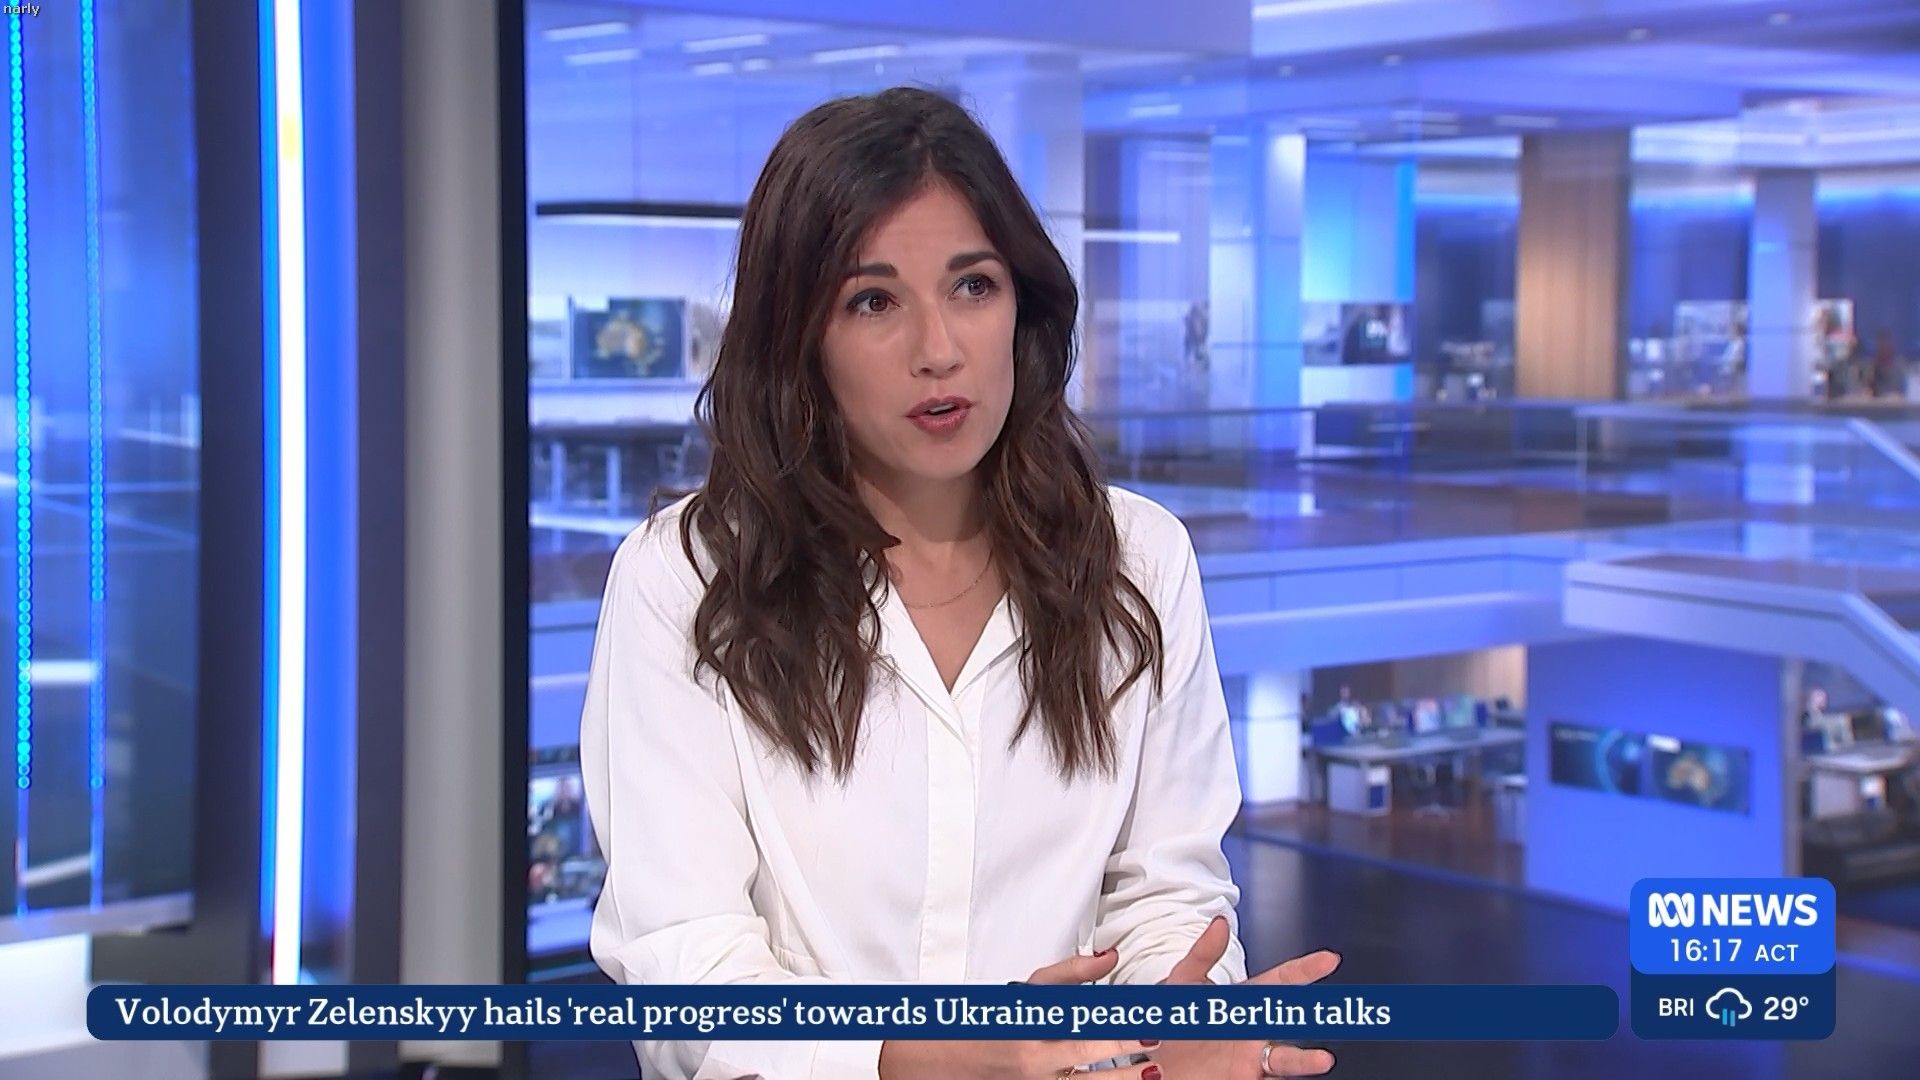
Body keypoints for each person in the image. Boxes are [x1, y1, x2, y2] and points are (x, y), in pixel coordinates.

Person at [579, 87, 1339, 1080]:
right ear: (796, 338)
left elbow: (1165, 894)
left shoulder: (1139, 560)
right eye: (874, 301)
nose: (939, 350)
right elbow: (688, 965)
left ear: (1023, 303)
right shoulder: (684, 580)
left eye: (973, 286)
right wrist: (936, 1059)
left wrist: (1170, 1030)